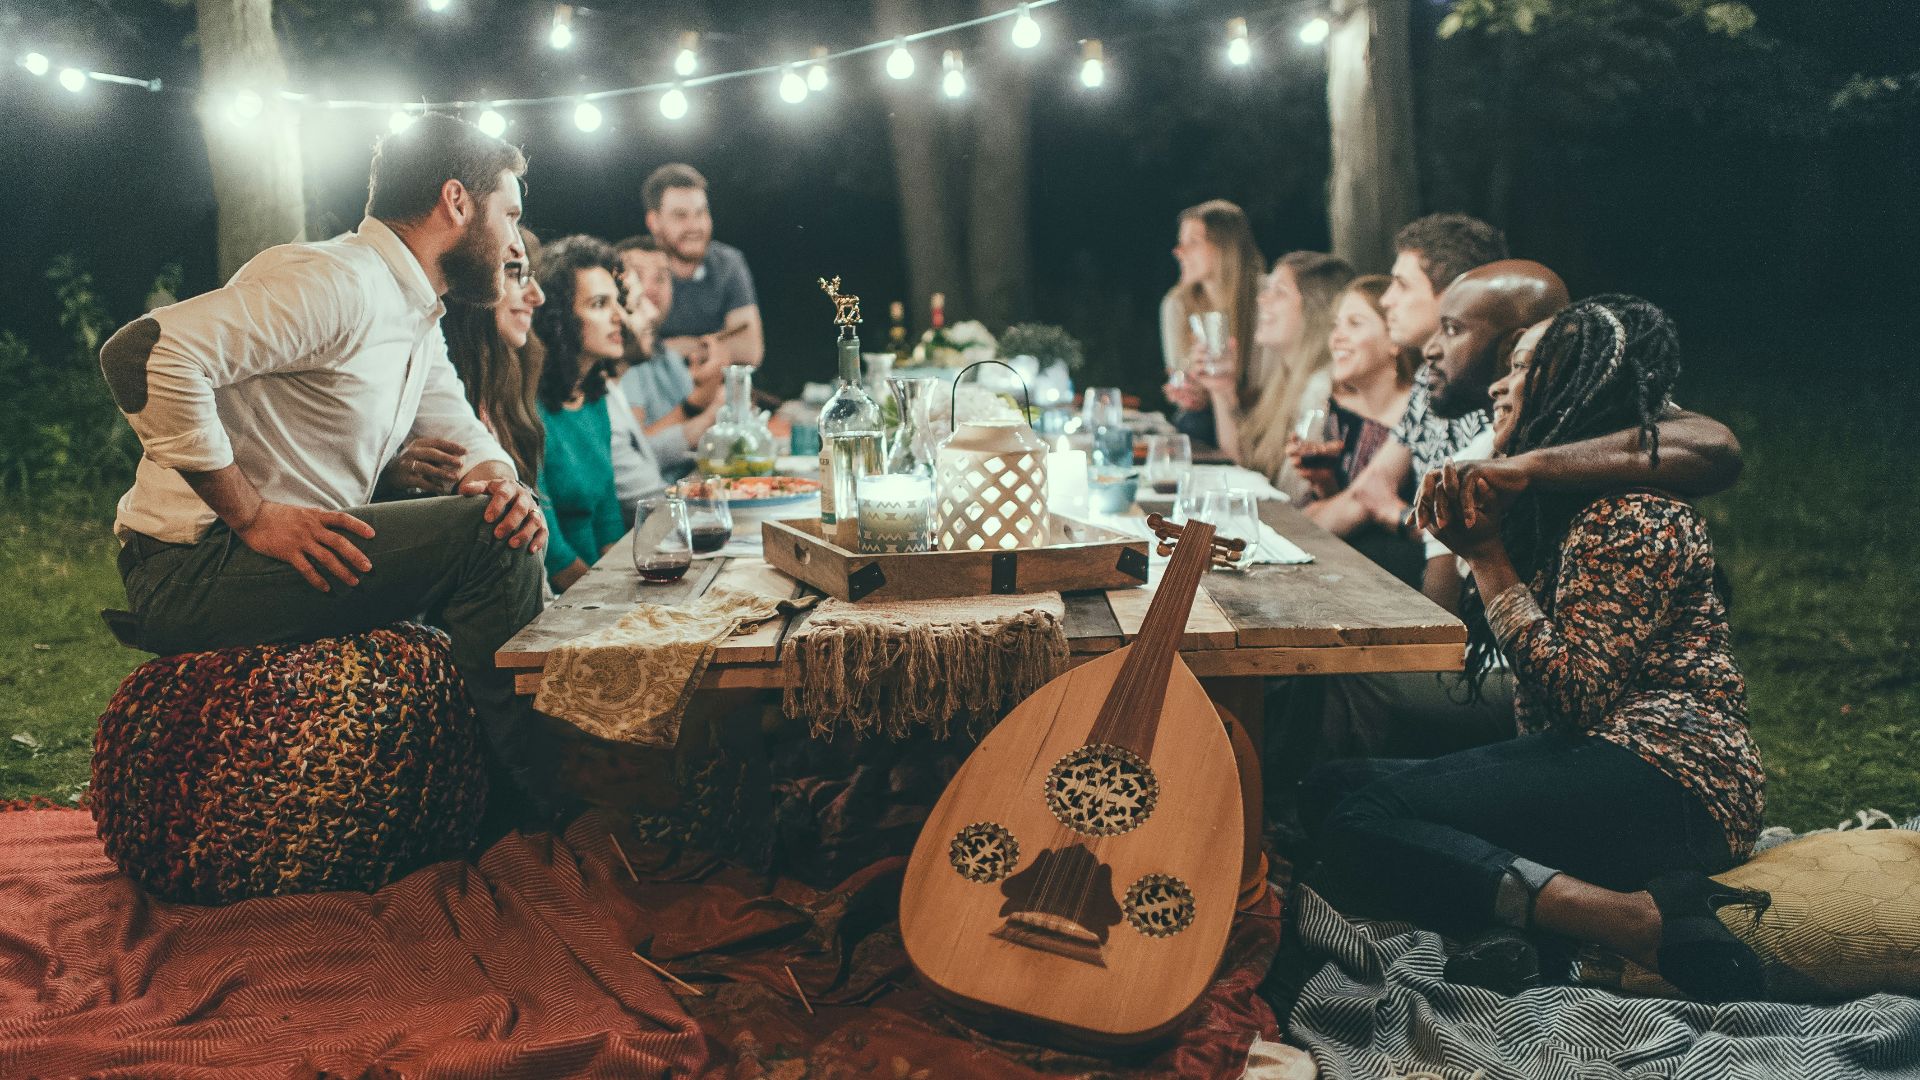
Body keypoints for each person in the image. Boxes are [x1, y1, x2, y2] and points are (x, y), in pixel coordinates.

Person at [1302, 296, 1769, 1004]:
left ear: (1567, 387)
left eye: (1520, 368)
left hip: (1676, 781)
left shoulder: (1631, 512)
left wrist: (1487, 558)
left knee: (1362, 822)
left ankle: (1633, 922)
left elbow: (1578, 693)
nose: (1497, 383)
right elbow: (1556, 712)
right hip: (1599, 754)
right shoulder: (1564, 505)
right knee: (1333, 790)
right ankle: (1526, 935)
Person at [96, 113, 554, 817]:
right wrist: (250, 513)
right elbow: (144, 354)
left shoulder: (412, 312)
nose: (515, 241)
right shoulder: (339, 283)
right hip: (192, 566)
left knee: (503, 518)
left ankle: (501, 772)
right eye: (511, 214)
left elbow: (463, 431)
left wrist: (500, 485)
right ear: (457, 201)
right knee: (492, 544)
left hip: (282, 559)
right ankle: (532, 798)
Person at [531, 235, 662, 590]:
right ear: (559, 318)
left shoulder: (594, 397)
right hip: (560, 602)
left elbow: (607, 518)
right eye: (599, 304)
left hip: (599, 584)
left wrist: (625, 586)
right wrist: (607, 599)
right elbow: (551, 552)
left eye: (617, 301)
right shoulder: (530, 409)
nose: (620, 316)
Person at [381, 234, 547, 495]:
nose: (537, 296)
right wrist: (384, 478)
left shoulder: (511, 385)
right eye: (515, 274)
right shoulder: (419, 380)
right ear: (471, 281)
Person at [1290, 275, 1422, 582]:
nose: (1336, 337)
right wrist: (1326, 482)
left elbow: (1362, 506)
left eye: (1354, 323)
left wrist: (1289, 525)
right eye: (1336, 324)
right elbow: (1346, 505)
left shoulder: (1419, 412)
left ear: (1394, 342)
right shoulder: (1339, 409)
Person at [1193, 251, 1354, 498]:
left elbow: (1289, 499)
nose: (1262, 300)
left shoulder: (1322, 388)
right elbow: (1244, 467)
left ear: (1315, 309)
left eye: (1279, 292)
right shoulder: (1286, 380)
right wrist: (1221, 389)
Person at [1159, 200, 1265, 449]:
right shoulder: (1177, 304)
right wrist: (1188, 389)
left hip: (1258, 416)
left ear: (1226, 248)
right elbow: (1178, 376)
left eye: (1193, 242)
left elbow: (1271, 387)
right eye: (1180, 241)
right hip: (1209, 418)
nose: (1179, 251)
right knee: (1192, 422)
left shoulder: (1264, 299)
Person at [614, 234, 720, 480]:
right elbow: (634, 454)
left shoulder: (664, 353)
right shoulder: (624, 358)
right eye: (637, 277)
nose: (650, 289)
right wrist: (700, 409)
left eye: (661, 277)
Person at [644, 163, 764, 370]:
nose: (694, 226)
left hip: (716, 392)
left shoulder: (728, 263)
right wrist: (715, 345)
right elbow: (627, 353)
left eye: (700, 213)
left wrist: (674, 347)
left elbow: (751, 350)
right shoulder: (637, 266)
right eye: (680, 215)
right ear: (654, 221)